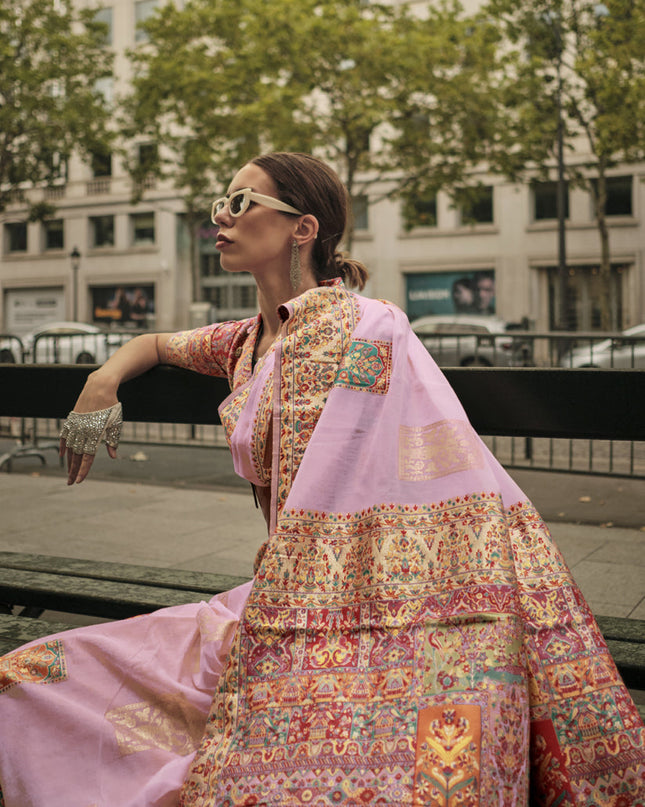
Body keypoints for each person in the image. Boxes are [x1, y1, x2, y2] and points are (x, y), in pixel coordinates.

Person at [0, 153, 643, 806]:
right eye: (219, 203)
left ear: (302, 228)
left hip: (391, 596)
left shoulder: (367, 328)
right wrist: (100, 380)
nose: (221, 217)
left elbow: (419, 468)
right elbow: (158, 343)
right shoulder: (243, 341)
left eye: (241, 202)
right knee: (27, 678)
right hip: (285, 591)